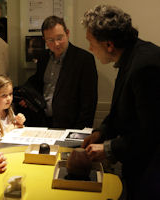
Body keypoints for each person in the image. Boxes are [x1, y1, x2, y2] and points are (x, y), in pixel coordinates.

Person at [80, 5, 160, 200]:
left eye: (91, 43)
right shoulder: (131, 57)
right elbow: (121, 110)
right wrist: (101, 133)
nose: (90, 49)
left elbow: (151, 131)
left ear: (109, 45)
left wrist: (108, 148)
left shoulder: (145, 65)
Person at [18, 15, 98, 129]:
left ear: (67, 33)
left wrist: (81, 132)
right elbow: (38, 82)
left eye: (59, 38)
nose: (56, 44)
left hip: (70, 125)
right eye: (50, 40)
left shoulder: (84, 59)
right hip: (43, 123)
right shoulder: (43, 57)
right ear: (44, 40)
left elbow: (89, 102)